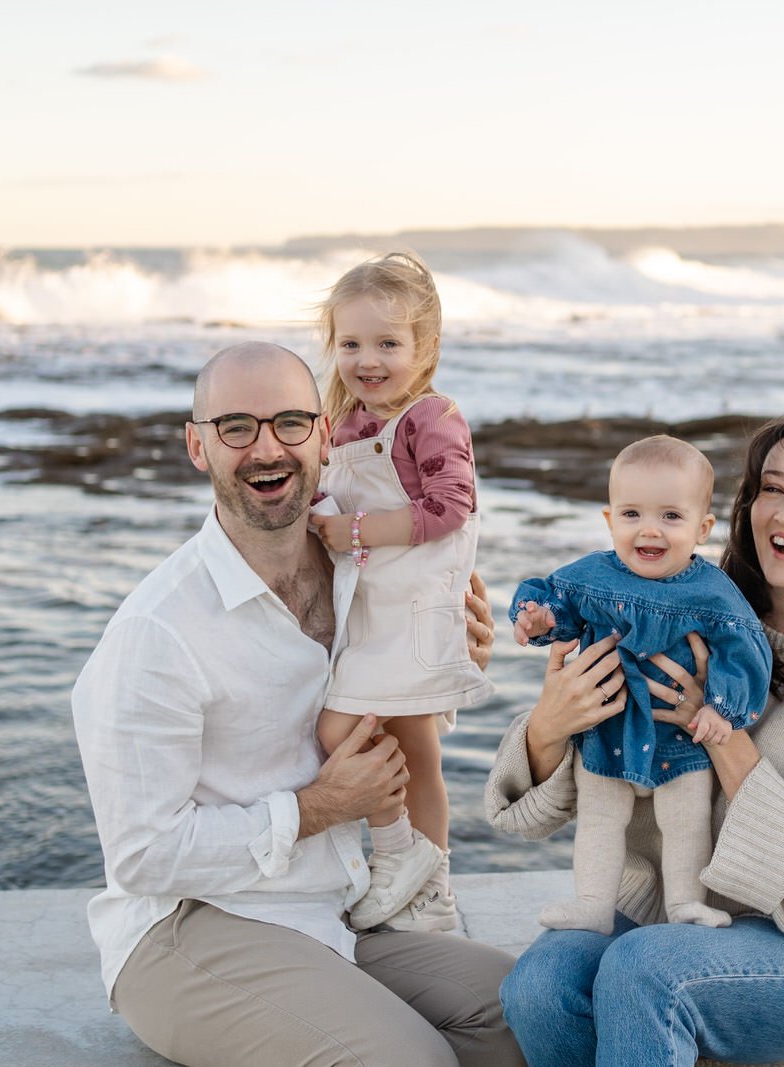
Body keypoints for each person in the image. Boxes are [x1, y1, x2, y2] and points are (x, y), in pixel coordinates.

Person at [72, 342, 525, 1067]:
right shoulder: (156, 631)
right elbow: (143, 854)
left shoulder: (366, 570)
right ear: (198, 445)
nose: (266, 448)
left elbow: (401, 716)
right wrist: (319, 806)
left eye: (288, 421)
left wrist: (446, 655)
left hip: (334, 909)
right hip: (189, 925)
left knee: (544, 1011)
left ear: (323, 434)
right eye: (236, 428)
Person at [488, 409, 784, 1066]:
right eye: (772, 487)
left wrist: (722, 736)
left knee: (646, 968)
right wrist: (550, 723)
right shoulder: (684, 610)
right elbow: (577, 786)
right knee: (540, 988)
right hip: (662, 917)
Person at [509, 435, 772, 934]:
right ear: (609, 521)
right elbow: (555, 600)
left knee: (686, 824)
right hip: (608, 731)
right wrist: (537, 617)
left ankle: (684, 904)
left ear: (703, 528)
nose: (649, 530)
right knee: (600, 821)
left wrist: (722, 707)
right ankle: (591, 902)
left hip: (683, 739)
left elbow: (743, 652)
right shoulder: (592, 576)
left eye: (671, 517)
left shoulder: (713, 593)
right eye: (631, 515)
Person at [308, 252, 493, 933]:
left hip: (414, 607)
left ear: (426, 348)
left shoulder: (430, 416)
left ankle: (408, 864)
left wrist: (353, 530)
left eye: (388, 342)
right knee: (403, 745)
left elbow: (451, 507)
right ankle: (425, 887)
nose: (368, 359)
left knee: (364, 735)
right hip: (372, 606)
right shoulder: (350, 421)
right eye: (351, 343)